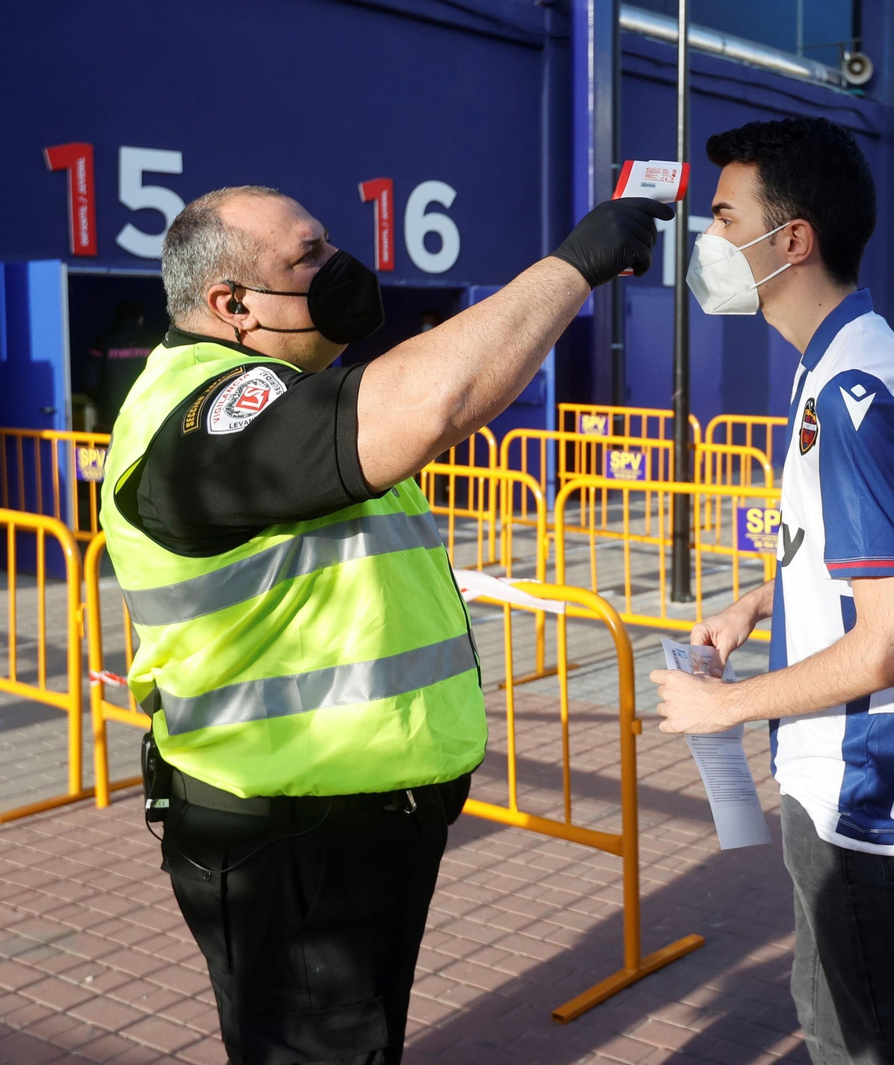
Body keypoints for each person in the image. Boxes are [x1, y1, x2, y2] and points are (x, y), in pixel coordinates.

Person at [99, 185, 670, 1064]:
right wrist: (572, 267)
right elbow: (430, 400)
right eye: (308, 258)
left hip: (343, 821)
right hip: (291, 835)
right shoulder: (208, 415)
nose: (339, 270)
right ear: (232, 305)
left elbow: (432, 422)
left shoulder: (285, 393)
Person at [650, 117, 894, 1065]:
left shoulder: (850, 391)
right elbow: (859, 563)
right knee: (843, 1026)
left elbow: (890, 638)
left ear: (793, 240)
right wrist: (755, 605)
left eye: (723, 218)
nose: (707, 242)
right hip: (843, 779)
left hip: (856, 792)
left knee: (864, 1044)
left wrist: (723, 705)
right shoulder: (842, 363)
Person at [83, 300, 161, 431]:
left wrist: (103, 403)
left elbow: (90, 381)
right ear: (140, 319)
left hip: (110, 420)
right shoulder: (155, 343)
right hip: (145, 421)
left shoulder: (102, 342)